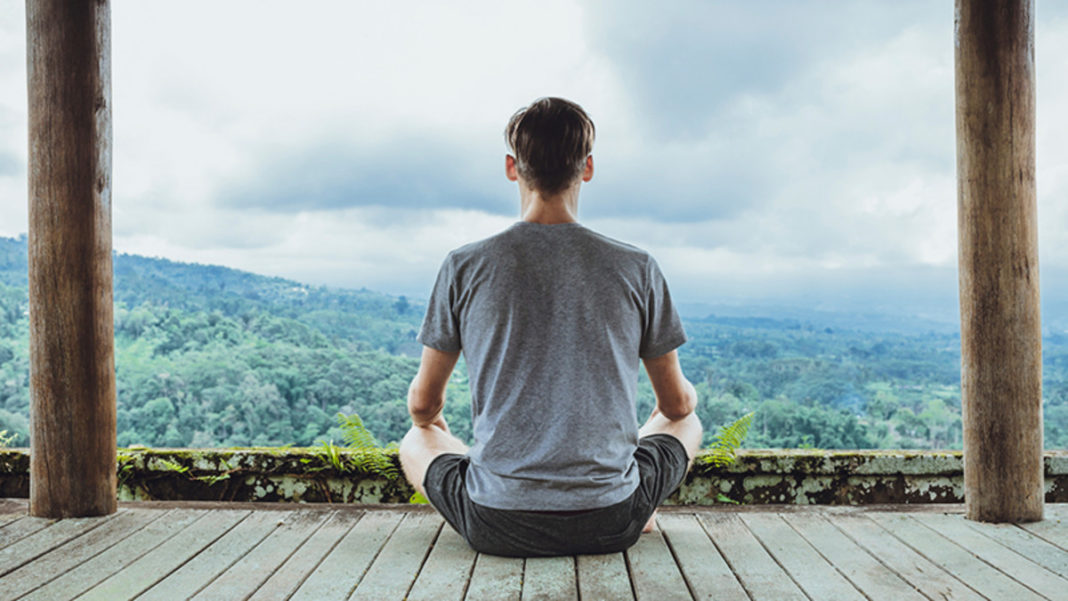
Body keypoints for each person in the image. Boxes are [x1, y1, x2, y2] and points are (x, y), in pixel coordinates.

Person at [398, 97, 702, 557]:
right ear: (588, 168)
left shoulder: (464, 266)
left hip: (496, 524)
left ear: (511, 167)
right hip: (611, 519)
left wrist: (437, 427)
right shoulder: (637, 268)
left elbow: (423, 406)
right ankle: (639, 501)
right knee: (689, 421)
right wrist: (688, 399)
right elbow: (675, 405)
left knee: (416, 439)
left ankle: (502, 484)